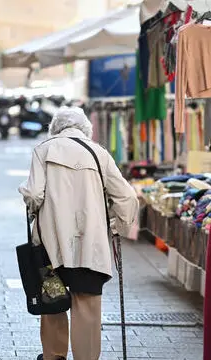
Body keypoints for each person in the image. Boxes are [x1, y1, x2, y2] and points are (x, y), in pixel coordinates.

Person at [19, 107, 138, 360]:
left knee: (53, 305)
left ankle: (54, 356)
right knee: (87, 309)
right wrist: (118, 226)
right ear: (86, 129)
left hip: (51, 248)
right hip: (90, 247)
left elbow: (33, 195)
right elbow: (127, 197)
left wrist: (28, 199)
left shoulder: (43, 150)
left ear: (56, 128)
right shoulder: (100, 153)